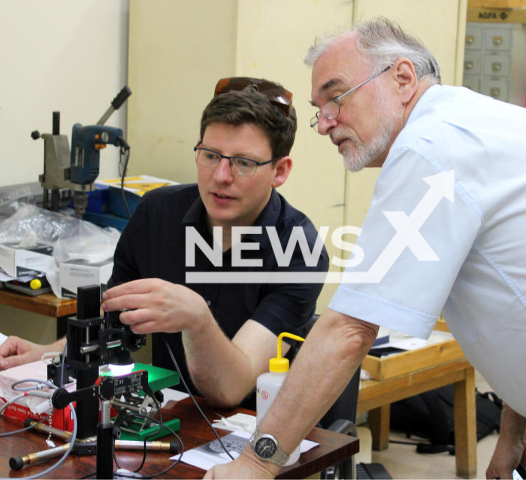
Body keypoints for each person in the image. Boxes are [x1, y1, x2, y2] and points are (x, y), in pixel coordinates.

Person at [209, 18, 526, 479]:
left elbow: (351, 329)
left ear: (402, 78)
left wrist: (256, 463)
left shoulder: (430, 146)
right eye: (320, 109)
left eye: (336, 97)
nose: (325, 124)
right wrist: (514, 433)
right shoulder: (479, 123)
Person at [0, 77, 329, 411]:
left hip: (252, 432)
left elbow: (231, 390)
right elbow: (112, 319)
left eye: (244, 163)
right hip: (166, 417)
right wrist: (47, 353)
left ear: (280, 171)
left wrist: (197, 320)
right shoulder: (157, 214)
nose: (221, 176)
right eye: (211, 155)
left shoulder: (300, 251)